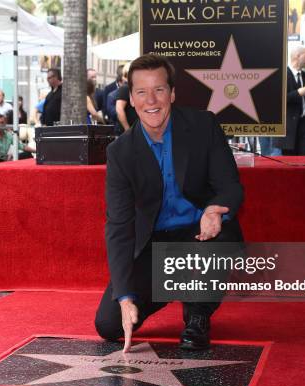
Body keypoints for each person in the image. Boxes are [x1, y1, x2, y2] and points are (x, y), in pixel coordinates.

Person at [94, 54, 244, 352]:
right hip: (155, 247)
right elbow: (119, 226)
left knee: (221, 237)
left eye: (159, 89)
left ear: (172, 93)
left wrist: (215, 209)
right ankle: (176, 286)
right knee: (108, 325)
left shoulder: (203, 125)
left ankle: (198, 313)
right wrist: (124, 297)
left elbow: (230, 187)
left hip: (201, 236)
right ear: (131, 99)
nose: (151, 100)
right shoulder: (120, 152)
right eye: (141, 92)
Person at [278, 46, 305, 155]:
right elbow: (278, 98)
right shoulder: (282, 74)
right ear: (297, 56)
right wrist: (297, 93)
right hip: (289, 126)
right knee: (290, 159)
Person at [115, 63, 138, 134]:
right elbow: (119, 109)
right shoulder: (125, 88)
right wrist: (127, 129)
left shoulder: (132, 87)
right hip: (128, 131)